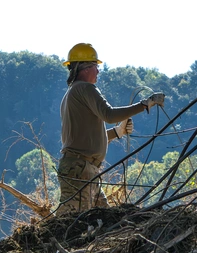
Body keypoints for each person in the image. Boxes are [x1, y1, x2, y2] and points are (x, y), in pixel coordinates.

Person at [56, 43, 164, 213]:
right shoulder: (85, 88)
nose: (98, 71)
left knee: (104, 220)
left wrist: (117, 132)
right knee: (75, 226)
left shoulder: (72, 93)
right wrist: (145, 104)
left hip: (82, 169)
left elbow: (86, 138)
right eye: (95, 66)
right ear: (84, 68)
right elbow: (110, 114)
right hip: (80, 170)